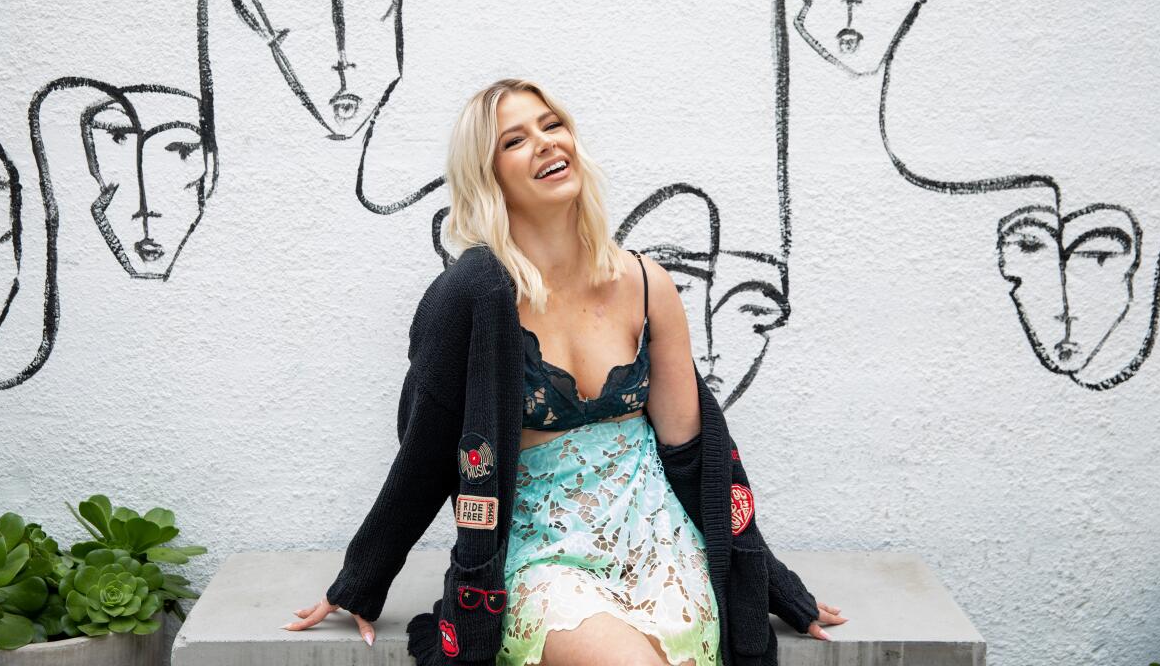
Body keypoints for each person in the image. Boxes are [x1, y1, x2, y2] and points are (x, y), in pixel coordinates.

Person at [284, 79, 845, 664]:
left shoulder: (646, 285)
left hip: (659, 545)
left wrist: (772, 584)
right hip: (542, 557)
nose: (546, 144)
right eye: (515, 140)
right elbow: (425, 450)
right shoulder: (470, 296)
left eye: (552, 126)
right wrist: (361, 580)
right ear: (488, 175)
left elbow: (694, 456)